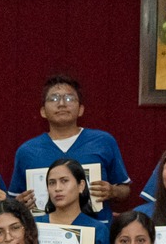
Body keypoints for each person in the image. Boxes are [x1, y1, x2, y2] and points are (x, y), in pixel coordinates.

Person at [8, 76, 130, 219]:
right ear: (42, 111)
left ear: (81, 110)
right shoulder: (27, 151)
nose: (61, 104)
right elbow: (14, 199)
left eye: (69, 99)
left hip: (97, 230)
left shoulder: (103, 141)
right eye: (53, 99)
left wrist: (113, 191)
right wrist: (20, 203)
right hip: (46, 235)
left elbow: (125, 190)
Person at [35, 159, 111, 244]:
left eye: (64, 181)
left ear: (81, 186)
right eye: (52, 183)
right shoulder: (34, 224)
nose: (57, 188)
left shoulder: (97, 229)